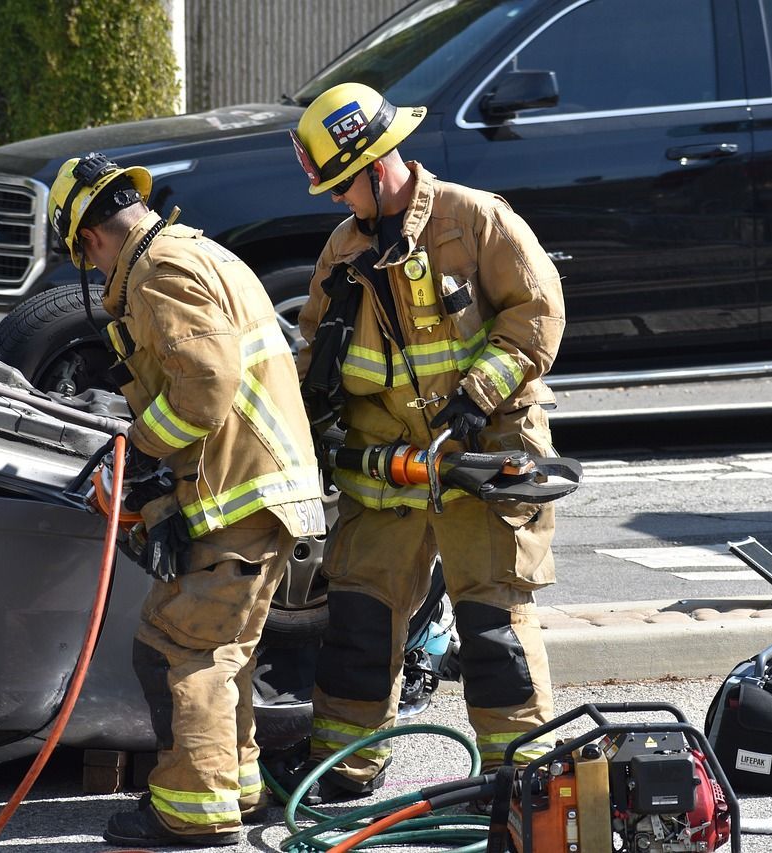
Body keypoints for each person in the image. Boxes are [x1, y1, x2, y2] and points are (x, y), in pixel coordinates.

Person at [283, 83, 566, 803]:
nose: (337, 202)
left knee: (492, 629)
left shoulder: (473, 220)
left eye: (342, 185)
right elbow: (318, 349)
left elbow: (537, 317)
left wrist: (477, 396)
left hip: (483, 460)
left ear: (377, 168)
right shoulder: (344, 251)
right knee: (356, 625)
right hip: (386, 475)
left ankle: (521, 779)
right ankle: (343, 771)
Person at [46, 153, 326, 847]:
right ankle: (240, 781)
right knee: (221, 648)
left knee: (181, 648)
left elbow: (203, 386)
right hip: (248, 493)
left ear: (88, 240)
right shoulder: (191, 251)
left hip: (243, 496)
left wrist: (139, 450)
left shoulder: (159, 272)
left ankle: (191, 811)